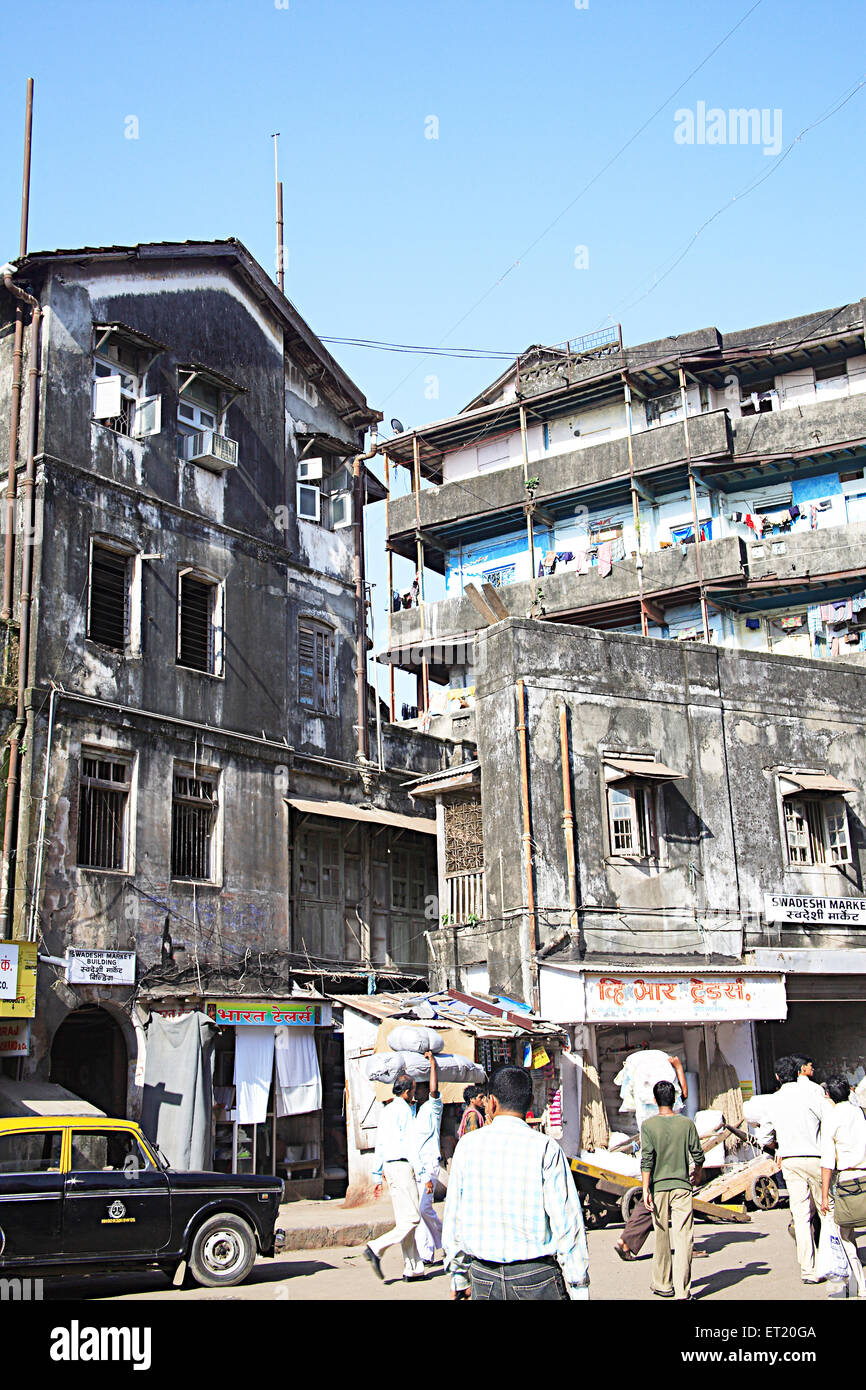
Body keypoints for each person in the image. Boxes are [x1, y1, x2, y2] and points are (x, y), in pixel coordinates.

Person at [442, 1064, 589, 1301]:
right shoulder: (545, 1148)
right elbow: (567, 1221)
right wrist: (579, 1286)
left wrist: (458, 1277)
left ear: (491, 1103)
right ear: (530, 1102)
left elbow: (455, 1216)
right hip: (536, 1278)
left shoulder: (467, 1147)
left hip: (484, 1277)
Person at [743, 1055, 833, 1284]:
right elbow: (829, 1122)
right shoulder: (813, 1093)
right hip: (817, 1158)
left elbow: (764, 1137)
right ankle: (832, 1263)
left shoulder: (773, 1101)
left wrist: (778, 1144)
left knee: (801, 1217)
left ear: (777, 1077)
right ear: (798, 1073)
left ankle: (809, 1271)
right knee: (827, 1211)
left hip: (790, 1161)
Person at [615, 1053, 705, 1263]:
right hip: (675, 1168)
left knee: (652, 1202)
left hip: (657, 1163)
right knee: (675, 1209)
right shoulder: (679, 1119)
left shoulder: (647, 1116)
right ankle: (683, 1248)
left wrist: (646, 1186)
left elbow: (647, 1159)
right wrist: (679, 1066)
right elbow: (684, 1092)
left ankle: (627, 1241)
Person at [641, 1080, 705, 1301]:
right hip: (682, 1188)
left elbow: (647, 1160)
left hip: (659, 1188)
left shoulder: (649, 1126)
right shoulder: (686, 1124)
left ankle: (662, 1283)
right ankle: (682, 1290)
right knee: (684, 1238)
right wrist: (697, 1172)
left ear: (655, 1100)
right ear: (675, 1098)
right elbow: (698, 1155)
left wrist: (645, 1188)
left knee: (661, 1236)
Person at [363, 1073, 426, 1282]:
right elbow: (410, 1143)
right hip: (402, 1166)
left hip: (390, 1168)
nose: (414, 1094)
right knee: (413, 1218)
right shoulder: (404, 1111)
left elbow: (379, 1144)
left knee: (404, 1219)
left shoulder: (387, 1110)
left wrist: (376, 1173)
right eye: (413, 1090)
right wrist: (423, 1173)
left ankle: (414, 1268)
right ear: (407, 1091)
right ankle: (376, 1247)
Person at [819, 1073, 866, 1297]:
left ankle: (861, 1284)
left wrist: (823, 1196)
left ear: (828, 1095)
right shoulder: (859, 1113)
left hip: (847, 1184)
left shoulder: (831, 1118)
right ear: (849, 1091)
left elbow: (827, 1162)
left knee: (845, 1235)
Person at [413, 1050, 444, 1265]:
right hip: (417, 1166)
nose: (417, 1092)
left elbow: (435, 1089)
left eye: (420, 1088)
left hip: (430, 1165)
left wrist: (432, 1064)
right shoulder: (413, 1111)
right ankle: (426, 1253)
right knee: (420, 1211)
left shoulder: (433, 1108)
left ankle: (447, 1242)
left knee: (425, 1207)